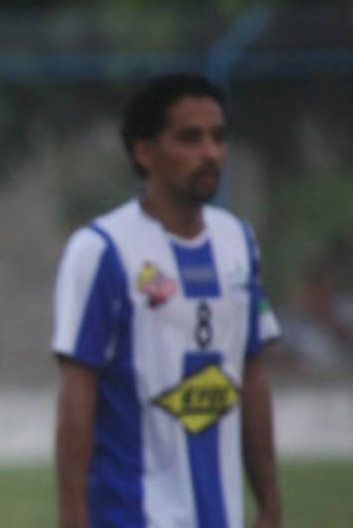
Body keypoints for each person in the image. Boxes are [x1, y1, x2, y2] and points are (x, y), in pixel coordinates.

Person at [53, 74, 283, 528]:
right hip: (130, 515)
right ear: (144, 152)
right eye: (190, 138)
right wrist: (73, 519)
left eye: (218, 137)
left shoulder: (238, 242)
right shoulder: (102, 250)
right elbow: (77, 391)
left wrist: (270, 504)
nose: (210, 153)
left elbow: (252, 376)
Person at [271, 260, 353, 375]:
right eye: (319, 287)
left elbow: (351, 337)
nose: (324, 292)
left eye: (328, 286)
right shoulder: (292, 315)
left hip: (345, 374)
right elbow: (277, 354)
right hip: (302, 375)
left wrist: (321, 314)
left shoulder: (348, 306)